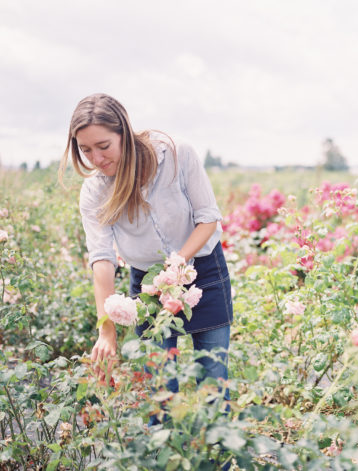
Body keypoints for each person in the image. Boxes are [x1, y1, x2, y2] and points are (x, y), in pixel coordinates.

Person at [59, 93, 233, 401]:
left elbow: (208, 219)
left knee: (213, 378)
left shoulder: (177, 155)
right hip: (148, 283)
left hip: (202, 272)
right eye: (85, 150)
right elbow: (101, 259)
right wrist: (106, 329)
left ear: (123, 133)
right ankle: (160, 442)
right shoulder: (95, 191)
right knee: (159, 386)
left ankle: (217, 446)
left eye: (103, 146)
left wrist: (180, 261)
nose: (96, 159)